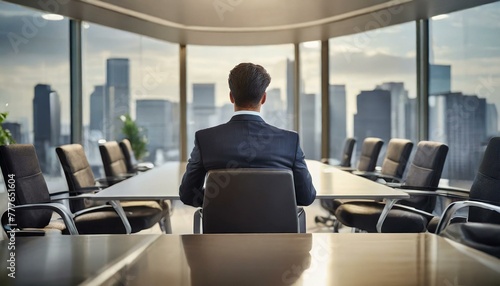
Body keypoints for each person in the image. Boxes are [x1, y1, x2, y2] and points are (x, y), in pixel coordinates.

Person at [179, 62, 316, 207]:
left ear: (231, 97)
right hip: (277, 229)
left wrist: (220, 199)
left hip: (221, 228)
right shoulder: (290, 141)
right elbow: (306, 197)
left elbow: (188, 195)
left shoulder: (205, 139)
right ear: (263, 98)